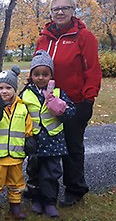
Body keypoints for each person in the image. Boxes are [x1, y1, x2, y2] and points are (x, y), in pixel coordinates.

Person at [35, 0, 102, 207]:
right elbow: (37, 69)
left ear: (73, 11)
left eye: (65, 8)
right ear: (51, 13)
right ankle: (41, 188)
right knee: (44, 145)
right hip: (45, 103)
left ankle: (75, 189)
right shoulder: (43, 39)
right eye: (56, 9)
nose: (60, 12)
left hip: (74, 102)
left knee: (72, 148)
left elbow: (92, 70)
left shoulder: (84, 37)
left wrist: (88, 100)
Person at [20, 50, 76, 218]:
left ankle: (50, 202)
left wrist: (60, 107)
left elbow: (71, 113)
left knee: (51, 173)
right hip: (34, 142)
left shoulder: (58, 93)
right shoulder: (25, 94)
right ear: (31, 75)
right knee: (34, 173)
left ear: (51, 75)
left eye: (45, 74)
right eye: (37, 74)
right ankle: (36, 200)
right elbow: (19, 115)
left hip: (53, 141)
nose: (41, 77)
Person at [0, 66, 32, 221]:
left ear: (14, 89)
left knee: (16, 182)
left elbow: (27, 126)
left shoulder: (22, 107)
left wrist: (30, 140)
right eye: (0, 88)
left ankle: (15, 206)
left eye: (8, 88)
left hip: (16, 154)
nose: (4, 91)